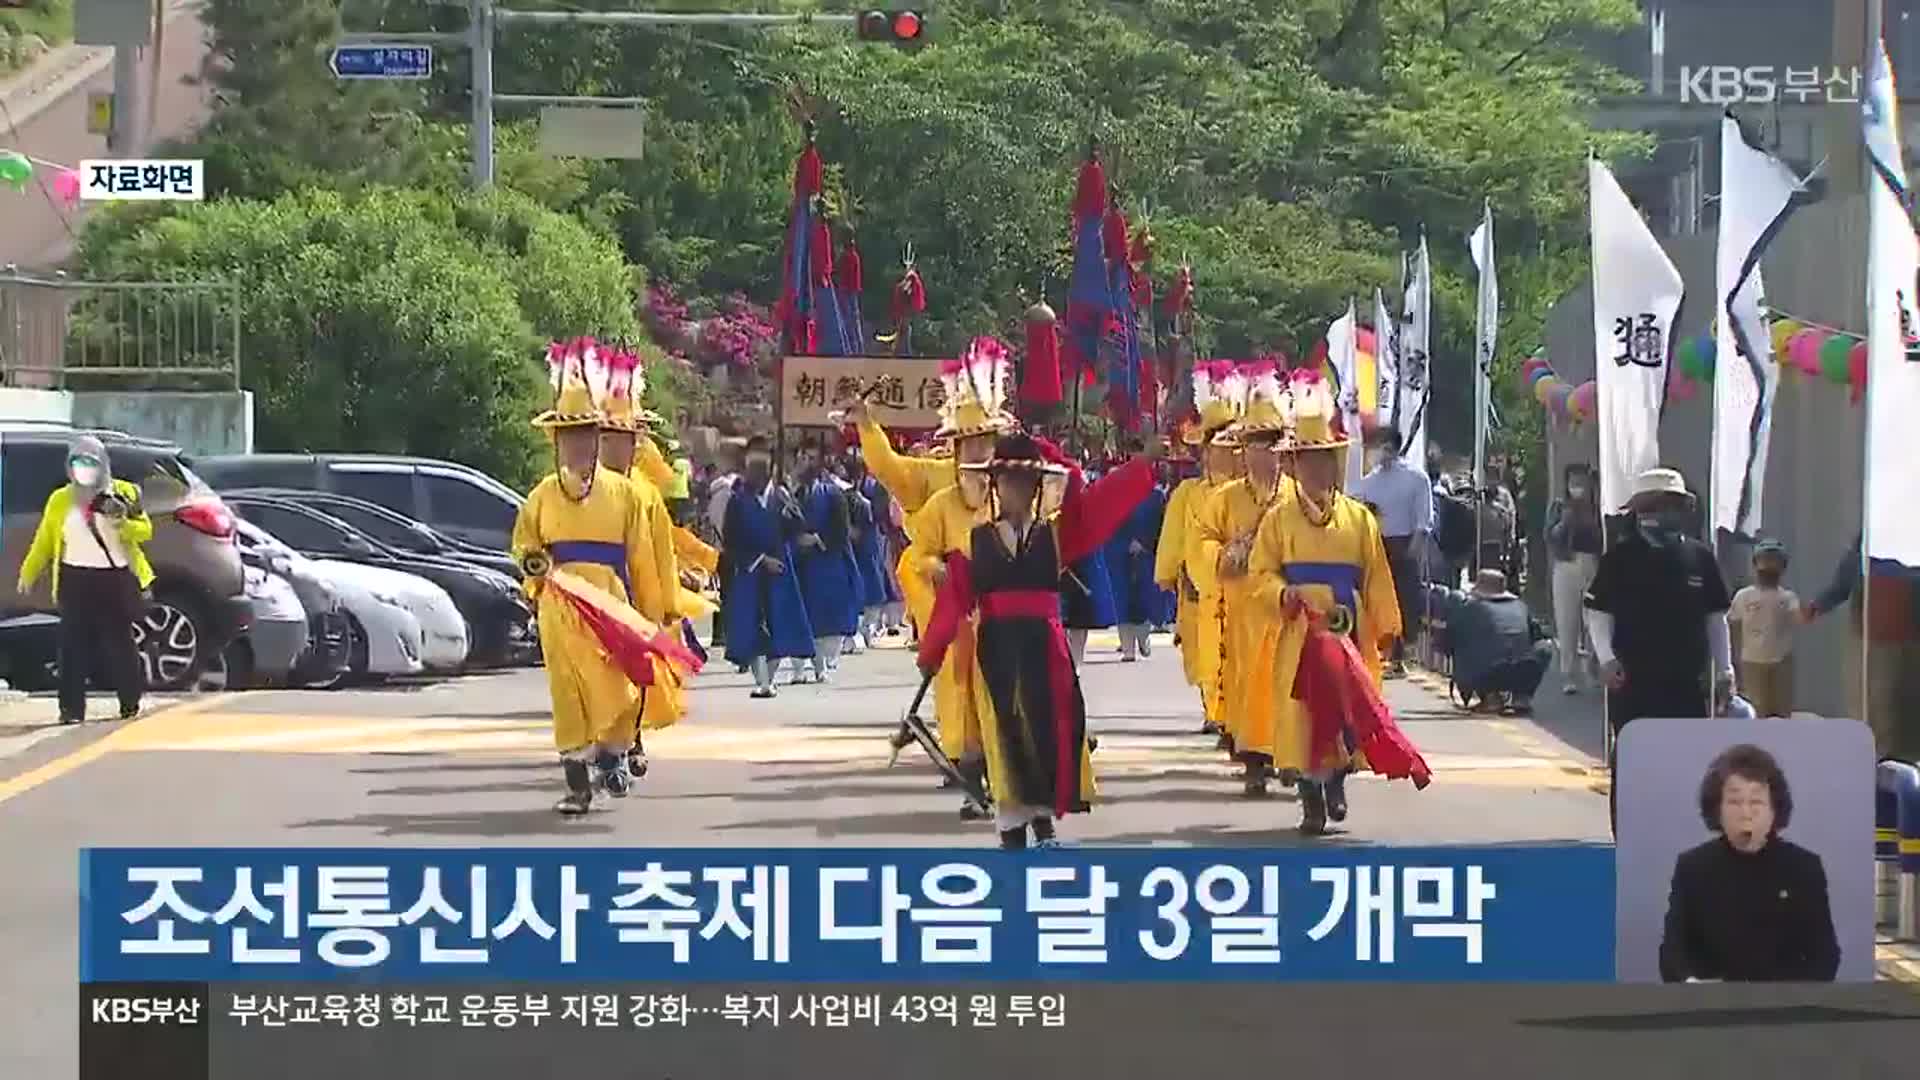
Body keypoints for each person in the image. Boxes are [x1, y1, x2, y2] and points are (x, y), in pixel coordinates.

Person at [917, 432, 1159, 849]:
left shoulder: (1057, 534)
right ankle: (1011, 830)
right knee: (1004, 734)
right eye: (1008, 482)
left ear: (1037, 488)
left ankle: (1044, 824)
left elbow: (1100, 501)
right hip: (995, 650)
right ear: (995, 486)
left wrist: (1141, 467)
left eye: (1026, 484)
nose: (1017, 492)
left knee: (1049, 732)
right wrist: (931, 653)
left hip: (1046, 650)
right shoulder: (976, 542)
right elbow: (953, 598)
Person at [511, 340, 676, 815]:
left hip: (609, 600)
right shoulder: (541, 495)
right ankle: (577, 784)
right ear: (557, 442)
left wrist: (653, 614)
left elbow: (644, 555)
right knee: (569, 694)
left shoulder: (625, 494)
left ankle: (614, 754)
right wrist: (535, 572)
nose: (579, 444)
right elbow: (525, 544)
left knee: (619, 686)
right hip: (560, 607)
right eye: (570, 437)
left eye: (586, 434)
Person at [1246, 370, 1411, 835]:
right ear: (1296, 464)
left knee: (1349, 709)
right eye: (1310, 460)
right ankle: (1310, 799)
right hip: (1300, 629)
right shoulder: (1278, 521)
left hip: (1349, 627)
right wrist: (1284, 593)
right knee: (1303, 716)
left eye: (1327, 461)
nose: (1319, 470)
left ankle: (1337, 780)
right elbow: (1261, 572)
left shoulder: (1359, 519)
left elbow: (1377, 574)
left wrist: (1387, 628)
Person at [886, 338, 1020, 812]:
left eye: (987, 443)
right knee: (964, 701)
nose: (980, 453)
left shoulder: (1013, 495)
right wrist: (938, 570)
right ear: (957, 449)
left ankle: (1016, 776)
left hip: (1008, 615)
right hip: (962, 618)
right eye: (971, 445)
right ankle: (972, 778)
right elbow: (920, 553)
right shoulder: (942, 504)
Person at [1584, 467, 1735, 833]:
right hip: (1633, 684)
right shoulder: (1620, 559)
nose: (1665, 513)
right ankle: (1632, 840)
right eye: (1655, 505)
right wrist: (1606, 658)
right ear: (1640, 509)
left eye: (1673, 505)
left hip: (1687, 685)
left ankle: (1679, 840)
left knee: (1688, 768)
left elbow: (1716, 619)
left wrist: (1725, 671)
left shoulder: (1700, 558)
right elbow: (1598, 611)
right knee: (1636, 764)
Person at [589, 343, 702, 774]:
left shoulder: (645, 492)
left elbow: (658, 551)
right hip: (591, 595)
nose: (627, 445)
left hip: (635, 595)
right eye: (614, 437)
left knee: (634, 676)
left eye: (631, 436)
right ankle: (598, 745)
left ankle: (626, 743)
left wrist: (666, 602)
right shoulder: (576, 487)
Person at [1193, 361, 1294, 795]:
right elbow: (1201, 544)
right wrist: (1224, 556)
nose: (1262, 452)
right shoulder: (1224, 499)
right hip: (1240, 611)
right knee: (1246, 685)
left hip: (1286, 608)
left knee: (1289, 685)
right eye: (1254, 444)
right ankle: (1254, 759)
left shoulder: (1295, 494)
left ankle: (1290, 754)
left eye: (1270, 444)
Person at [1658, 744, 1840, 983]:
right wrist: (1692, 985)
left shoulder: (1804, 868)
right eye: (1734, 802)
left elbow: (1825, 956)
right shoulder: (1692, 867)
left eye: (1756, 802)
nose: (1746, 812)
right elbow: (1672, 953)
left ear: (1774, 810)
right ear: (1717, 809)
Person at [16, 434, 153, 725]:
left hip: (113, 578)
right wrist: (29, 572)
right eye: (78, 462)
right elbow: (44, 540)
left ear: (103, 464)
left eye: (90, 462)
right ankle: (71, 710)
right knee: (71, 646)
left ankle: (130, 701)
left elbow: (145, 531)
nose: (84, 468)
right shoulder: (61, 499)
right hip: (74, 578)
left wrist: (122, 523)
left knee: (119, 644)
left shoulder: (124, 492)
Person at [1157, 360, 1249, 740]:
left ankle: (1236, 717)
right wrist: (1167, 574)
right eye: (1214, 445)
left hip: (1241, 591)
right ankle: (1214, 711)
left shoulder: (1250, 492)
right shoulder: (1187, 494)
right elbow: (1173, 538)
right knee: (1203, 656)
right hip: (1197, 592)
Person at [1803, 531, 1920, 760]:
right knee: (1868, 703)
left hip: (1908, 639)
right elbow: (1843, 583)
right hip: (1870, 637)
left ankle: (1890, 766)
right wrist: (1818, 606)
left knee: (1894, 707)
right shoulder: (1871, 533)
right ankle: (1868, 762)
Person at [721, 436, 816, 699]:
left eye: (763, 463)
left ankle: (770, 679)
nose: (758, 470)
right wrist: (760, 560)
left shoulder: (780, 496)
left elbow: (798, 530)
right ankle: (762, 681)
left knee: (780, 627)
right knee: (751, 628)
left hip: (780, 572)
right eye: (754, 463)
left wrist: (795, 527)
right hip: (750, 572)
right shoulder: (737, 501)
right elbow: (731, 542)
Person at [1351, 426, 1433, 676]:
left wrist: (1414, 549)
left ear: (1394, 447)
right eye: (1376, 446)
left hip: (1404, 545)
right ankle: (1376, 653)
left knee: (1403, 601)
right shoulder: (1369, 482)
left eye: (1383, 446)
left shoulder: (1416, 478)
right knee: (1376, 600)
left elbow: (1423, 519)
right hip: (1376, 547)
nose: (1378, 452)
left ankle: (1400, 656)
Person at [791, 439, 862, 682]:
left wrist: (818, 539)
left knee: (825, 619)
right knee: (799, 616)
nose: (806, 463)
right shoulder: (794, 493)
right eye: (803, 458)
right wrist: (797, 540)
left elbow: (841, 530)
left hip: (827, 561)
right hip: (801, 562)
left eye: (811, 458)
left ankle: (821, 665)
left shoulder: (833, 493)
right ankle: (799, 669)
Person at [1437, 569, 1553, 716]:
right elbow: (1538, 636)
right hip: (1523, 669)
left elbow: (1446, 642)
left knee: (1467, 646)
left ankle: (1490, 697)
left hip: (1489, 672)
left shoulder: (1469, 608)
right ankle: (1522, 697)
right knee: (1544, 647)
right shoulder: (1520, 606)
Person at [1104, 450, 1172, 662]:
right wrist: (1124, 543)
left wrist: (1144, 544)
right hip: (1118, 554)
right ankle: (1127, 649)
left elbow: (1163, 527)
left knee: (1144, 601)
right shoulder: (1115, 497)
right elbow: (1107, 524)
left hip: (1146, 556)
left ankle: (1143, 637)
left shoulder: (1156, 497)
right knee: (1121, 600)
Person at [1545, 463, 1604, 694]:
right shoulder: (1559, 507)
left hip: (1592, 564)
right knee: (1567, 622)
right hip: (1566, 565)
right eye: (1573, 482)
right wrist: (1565, 522)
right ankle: (1568, 674)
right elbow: (1550, 536)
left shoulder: (1597, 507)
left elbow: (1603, 538)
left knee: (1594, 621)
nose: (1577, 487)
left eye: (1582, 482)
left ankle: (1592, 668)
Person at [1729, 540, 1801, 719]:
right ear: (1755, 564)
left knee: (1782, 712)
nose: (1769, 565)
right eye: (1765, 560)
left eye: (1774, 560)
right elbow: (1734, 627)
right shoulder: (1743, 596)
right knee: (1757, 712)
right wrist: (1735, 662)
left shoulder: (1788, 597)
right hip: (1751, 662)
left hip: (1781, 661)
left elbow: (1798, 617)